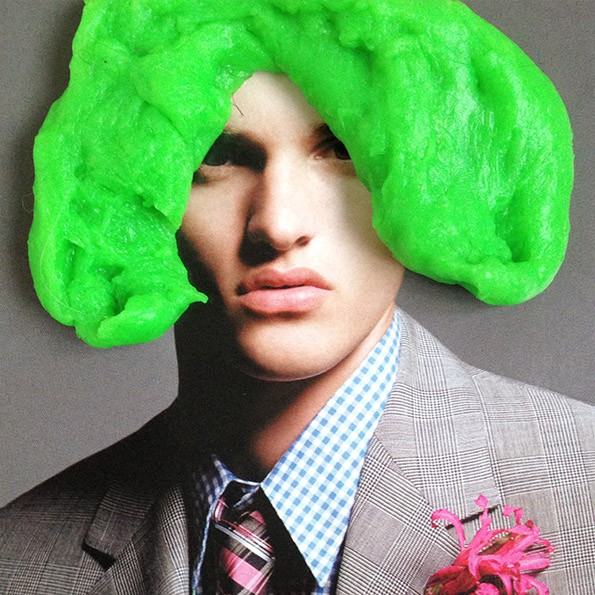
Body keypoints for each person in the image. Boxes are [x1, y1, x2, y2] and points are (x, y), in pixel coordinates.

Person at [2, 3, 594, 594]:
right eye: (218, 155)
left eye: (343, 148)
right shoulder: (19, 560)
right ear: (127, 196)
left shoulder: (582, 493)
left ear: (439, 180)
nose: (278, 226)